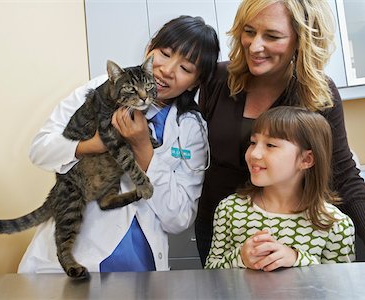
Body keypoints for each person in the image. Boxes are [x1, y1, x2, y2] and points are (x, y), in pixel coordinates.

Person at [17, 15, 220, 273]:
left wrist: (144, 148)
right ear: (149, 49)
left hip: (140, 267)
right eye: (165, 54)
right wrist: (93, 144)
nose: (168, 70)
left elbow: (179, 219)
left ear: (197, 82)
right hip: (75, 260)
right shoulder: (99, 90)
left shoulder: (191, 129)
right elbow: (41, 150)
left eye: (186, 68)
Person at [195, 0, 365, 266]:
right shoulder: (217, 80)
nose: (255, 46)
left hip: (295, 231)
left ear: (301, 39)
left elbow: (342, 172)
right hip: (224, 226)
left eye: (272, 36)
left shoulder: (318, 94)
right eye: (249, 31)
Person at [205, 106, 355, 271]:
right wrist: (240, 257)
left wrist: (297, 258)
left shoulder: (335, 225)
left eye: (270, 145)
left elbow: (338, 287)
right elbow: (212, 273)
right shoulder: (229, 210)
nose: (254, 153)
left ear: (306, 159)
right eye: (253, 142)